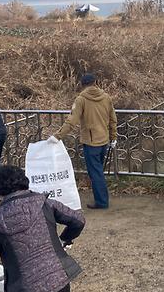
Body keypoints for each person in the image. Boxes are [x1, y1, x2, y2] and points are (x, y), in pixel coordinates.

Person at [50, 73, 117, 210]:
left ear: (82, 85)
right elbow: (112, 119)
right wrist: (113, 137)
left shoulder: (81, 99)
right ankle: (102, 199)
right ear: (95, 82)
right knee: (99, 171)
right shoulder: (106, 97)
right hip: (104, 140)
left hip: (91, 142)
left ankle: (102, 202)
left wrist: (57, 136)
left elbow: (72, 120)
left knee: (95, 173)